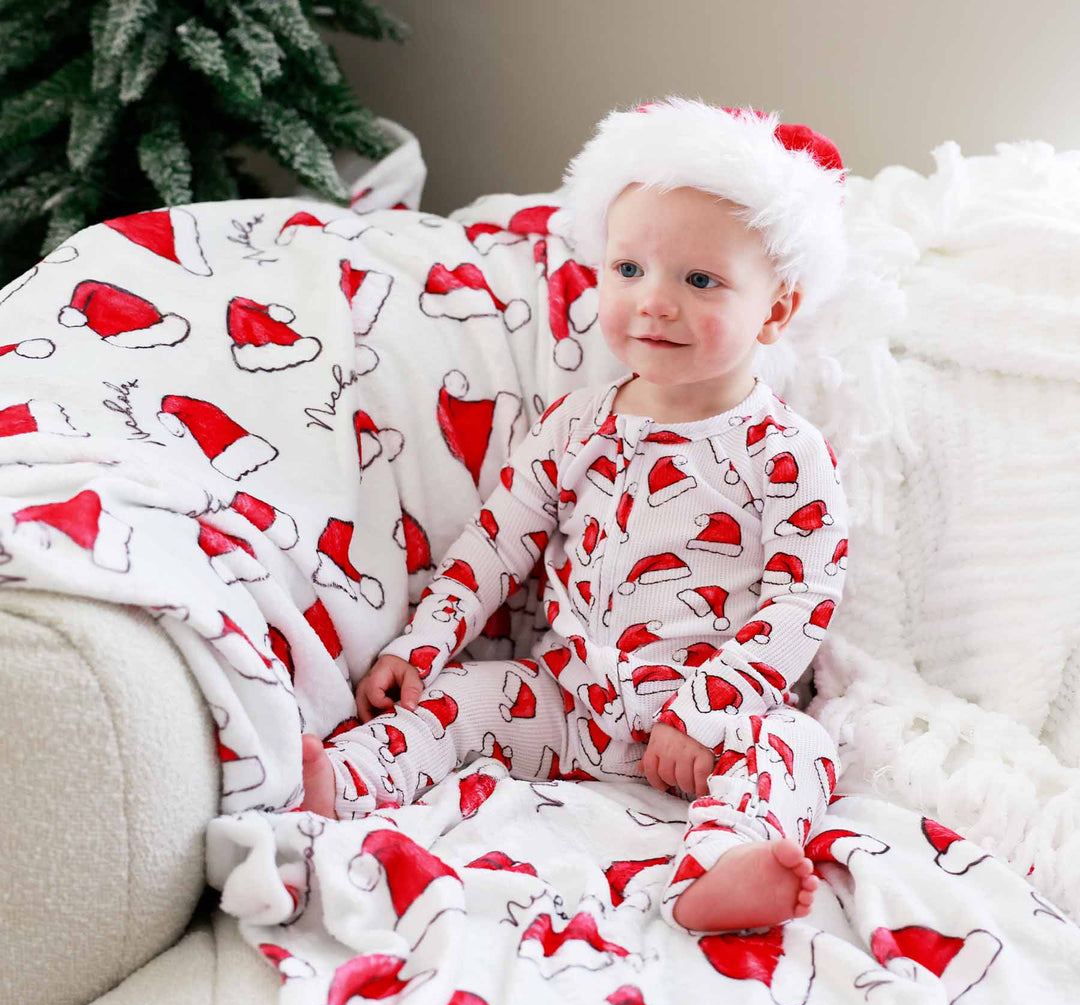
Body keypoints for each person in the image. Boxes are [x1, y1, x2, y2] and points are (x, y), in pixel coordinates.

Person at [300, 98, 850, 934]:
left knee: (802, 751)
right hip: (570, 701)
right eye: (630, 271)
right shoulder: (578, 425)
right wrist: (423, 644)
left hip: (714, 728)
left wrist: (704, 713)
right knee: (463, 702)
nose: (655, 302)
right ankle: (349, 779)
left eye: (700, 281)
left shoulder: (785, 450)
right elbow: (495, 545)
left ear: (774, 311)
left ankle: (725, 862)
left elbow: (800, 598)